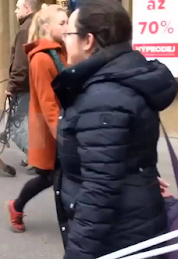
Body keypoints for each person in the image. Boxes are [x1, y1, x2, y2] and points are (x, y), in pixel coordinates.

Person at [52, 0, 177, 257]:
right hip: (136, 219)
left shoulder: (103, 96)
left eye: (69, 34)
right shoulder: (123, 77)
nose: (64, 41)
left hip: (117, 236)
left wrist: (77, 254)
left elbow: (99, 190)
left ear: (88, 41)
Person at [5, 4, 68, 233]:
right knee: (49, 177)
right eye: (62, 23)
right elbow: (47, 102)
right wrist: (63, 135)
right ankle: (17, 205)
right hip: (50, 129)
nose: (68, 26)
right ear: (46, 27)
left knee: (57, 178)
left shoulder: (61, 51)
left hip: (61, 125)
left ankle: (72, 223)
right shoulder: (42, 58)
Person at [5, 0, 36, 169]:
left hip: (24, 86)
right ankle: (36, 156)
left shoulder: (25, 30)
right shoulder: (36, 25)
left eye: (17, 8)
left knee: (13, 124)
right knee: (33, 123)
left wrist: (11, 86)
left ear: (26, 8)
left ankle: (35, 157)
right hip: (34, 84)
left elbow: (21, 64)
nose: (15, 11)